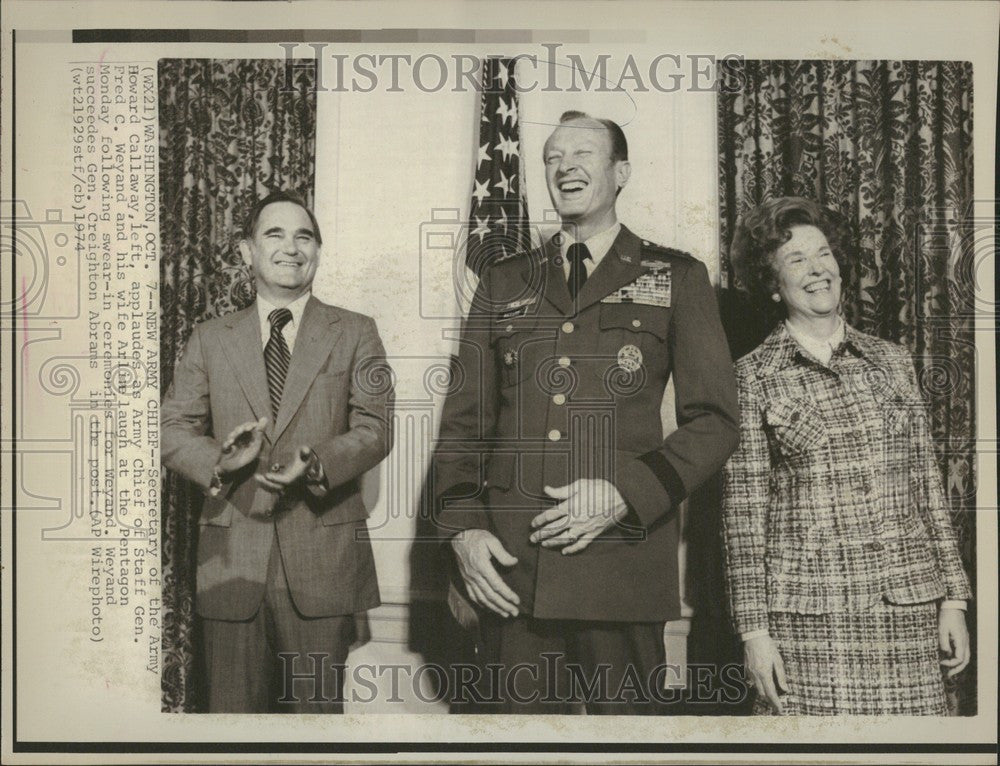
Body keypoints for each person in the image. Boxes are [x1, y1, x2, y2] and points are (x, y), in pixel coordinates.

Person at [431, 111, 739, 713]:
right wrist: (463, 534)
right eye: (553, 157)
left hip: (621, 569)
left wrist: (627, 494)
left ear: (620, 172)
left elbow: (716, 422)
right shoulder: (503, 280)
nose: (566, 166)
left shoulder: (676, 275)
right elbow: (463, 427)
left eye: (584, 154)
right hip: (512, 578)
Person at [721, 196, 972, 715]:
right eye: (796, 260)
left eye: (824, 254)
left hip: (910, 610)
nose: (817, 270)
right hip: (809, 624)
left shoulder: (892, 362)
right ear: (772, 284)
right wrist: (754, 632)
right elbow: (743, 520)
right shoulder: (750, 378)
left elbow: (928, 486)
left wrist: (953, 598)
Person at [161, 190, 394, 713]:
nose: (291, 248)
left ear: (317, 251)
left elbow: (376, 427)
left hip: (323, 567)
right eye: (275, 234)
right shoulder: (209, 338)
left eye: (304, 236)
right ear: (246, 251)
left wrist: (314, 463)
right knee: (232, 734)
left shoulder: (356, 331)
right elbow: (172, 429)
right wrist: (220, 462)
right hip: (230, 567)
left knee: (315, 733)